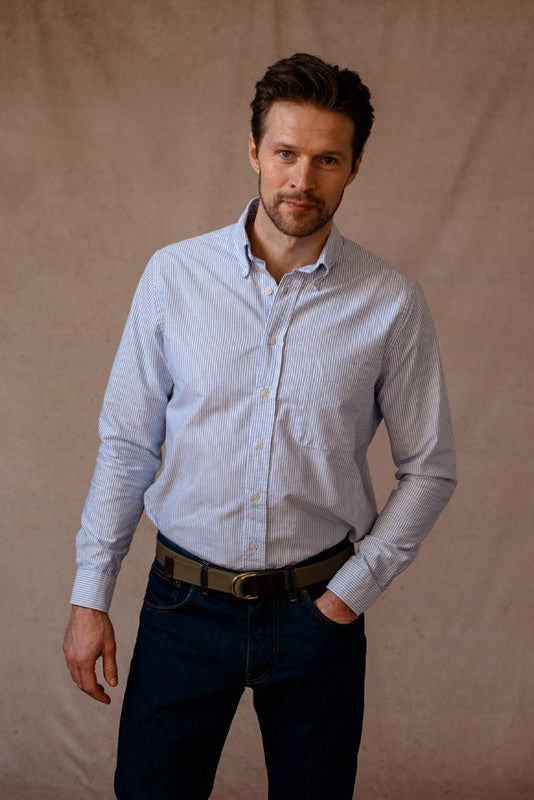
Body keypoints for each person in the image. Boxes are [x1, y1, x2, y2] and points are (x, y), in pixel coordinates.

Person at [63, 53, 456, 799]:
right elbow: (126, 446)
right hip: (182, 605)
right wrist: (90, 596)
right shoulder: (172, 278)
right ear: (253, 151)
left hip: (318, 615)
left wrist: (349, 595)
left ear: (355, 167)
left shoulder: (391, 303)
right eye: (285, 154)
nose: (302, 180)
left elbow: (431, 469)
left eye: (326, 159)